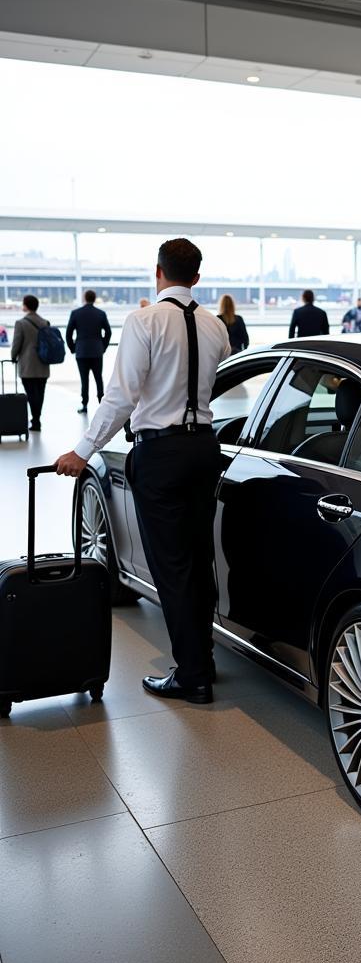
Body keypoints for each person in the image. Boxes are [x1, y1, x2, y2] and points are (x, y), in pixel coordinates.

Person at [54, 239, 232, 704]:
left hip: (162, 453)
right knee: (198, 560)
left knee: (171, 566)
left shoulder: (145, 321)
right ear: (196, 277)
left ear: (158, 273)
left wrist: (82, 449)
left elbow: (122, 396)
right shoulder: (216, 326)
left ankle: (191, 675)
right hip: (204, 449)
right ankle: (203, 658)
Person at [67, 289, 112, 414]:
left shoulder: (76, 313)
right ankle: (101, 404)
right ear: (94, 298)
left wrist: (73, 348)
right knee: (98, 378)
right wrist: (103, 346)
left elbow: (69, 333)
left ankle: (84, 405)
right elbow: (108, 332)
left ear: (84, 298)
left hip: (81, 351)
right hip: (97, 351)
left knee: (84, 379)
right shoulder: (101, 313)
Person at [10, 295, 51, 432]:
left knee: (31, 394)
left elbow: (16, 343)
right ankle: (36, 419)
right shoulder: (45, 322)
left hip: (27, 365)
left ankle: (36, 421)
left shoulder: (21, 323)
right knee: (40, 394)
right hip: (43, 364)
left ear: (26, 305)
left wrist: (13, 357)